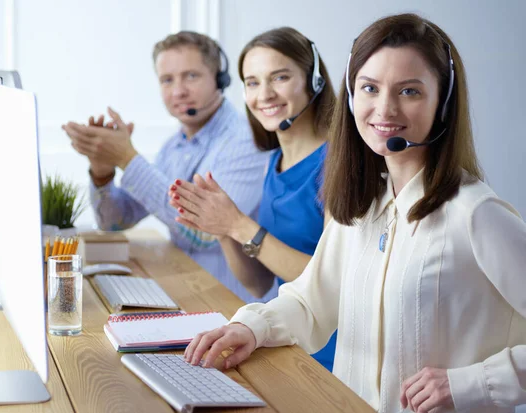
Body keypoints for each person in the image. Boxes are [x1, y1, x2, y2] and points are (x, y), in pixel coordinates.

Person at [183, 14, 526, 413]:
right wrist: (250, 327)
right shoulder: (363, 208)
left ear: (443, 103)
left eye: (410, 91)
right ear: (350, 96)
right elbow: (312, 300)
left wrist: (472, 384)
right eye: (369, 88)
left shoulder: (476, 214)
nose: (384, 108)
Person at [168, 27, 339, 370]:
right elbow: (260, 282)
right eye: (252, 82)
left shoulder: (338, 165)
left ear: (314, 81)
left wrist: (238, 223)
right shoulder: (274, 162)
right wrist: (220, 228)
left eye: (280, 77)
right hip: (283, 341)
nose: (265, 94)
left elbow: (327, 281)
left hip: (328, 355)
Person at [62, 31, 272, 303]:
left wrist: (127, 158)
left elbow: (205, 233)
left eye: (191, 76)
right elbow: (115, 222)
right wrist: (103, 171)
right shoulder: (173, 146)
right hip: (189, 293)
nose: (178, 91)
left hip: (232, 306)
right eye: (167, 80)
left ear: (220, 79)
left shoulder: (245, 140)